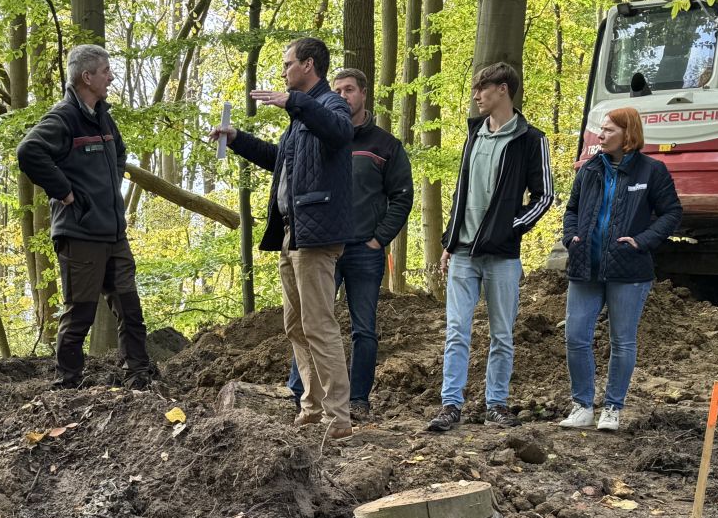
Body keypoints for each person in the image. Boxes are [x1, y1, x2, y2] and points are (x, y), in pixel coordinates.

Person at [214, 37, 357, 443]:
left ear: (308, 65)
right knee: (295, 325)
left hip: (317, 236)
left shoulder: (330, 105)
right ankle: (312, 407)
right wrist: (237, 137)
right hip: (292, 235)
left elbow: (339, 131)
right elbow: (279, 159)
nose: (282, 71)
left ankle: (337, 416)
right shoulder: (301, 119)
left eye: (287, 63)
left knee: (319, 324)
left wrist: (292, 103)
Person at [17, 44, 156, 390]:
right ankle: (68, 383)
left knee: (130, 307)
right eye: (106, 70)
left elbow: (119, 152)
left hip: (113, 233)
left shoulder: (103, 116)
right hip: (79, 234)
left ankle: (138, 375)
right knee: (80, 313)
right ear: (87, 76)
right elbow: (29, 151)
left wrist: (107, 189)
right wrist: (65, 193)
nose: (111, 77)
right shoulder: (63, 117)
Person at [429, 62, 555, 432]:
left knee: (502, 333)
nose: (476, 96)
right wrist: (449, 241)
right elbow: (461, 192)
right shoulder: (473, 134)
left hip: (502, 257)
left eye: (482, 89)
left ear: (503, 89)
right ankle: (451, 405)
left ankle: (495, 404)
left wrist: (509, 229)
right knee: (456, 331)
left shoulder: (531, 139)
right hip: (463, 253)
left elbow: (545, 196)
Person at [285, 67, 413, 418]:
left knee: (363, 328)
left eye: (350, 90)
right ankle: (300, 394)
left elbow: (402, 196)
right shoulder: (323, 135)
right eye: (338, 89)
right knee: (310, 320)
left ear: (364, 94)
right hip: (324, 242)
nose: (342, 96)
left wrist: (379, 238)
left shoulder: (386, 145)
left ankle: (357, 399)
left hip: (363, 249)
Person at [558, 107, 682, 431]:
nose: (601, 135)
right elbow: (572, 209)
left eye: (609, 130)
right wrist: (571, 237)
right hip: (585, 266)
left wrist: (641, 241)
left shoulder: (651, 171)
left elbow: (671, 213)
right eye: (601, 129)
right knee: (575, 336)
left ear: (628, 135)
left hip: (629, 271)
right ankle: (582, 406)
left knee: (622, 341)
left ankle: (612, 408)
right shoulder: (589, 170)